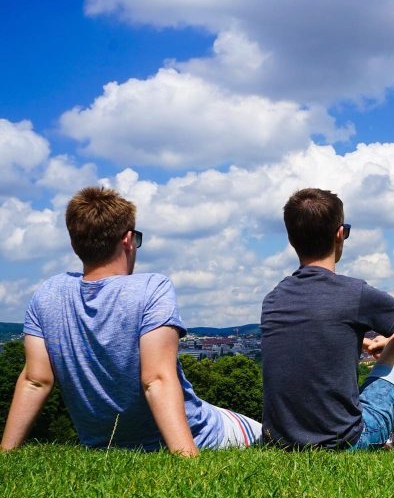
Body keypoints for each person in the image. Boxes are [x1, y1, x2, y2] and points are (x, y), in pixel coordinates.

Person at [0, 187, 260, 456]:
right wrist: (188, 461)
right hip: (199, 432)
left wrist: (6, 453)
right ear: (127, 240)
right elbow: (156, 380)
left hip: (102, 444)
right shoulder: (151, 287)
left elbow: (35, 380)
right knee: (267, 433)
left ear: (75, 242)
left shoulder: (47, 294)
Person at [261, 187, 394, 450]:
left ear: (292, 240)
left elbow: (309, 339)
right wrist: (393, 338)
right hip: (345, 442)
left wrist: (355, 339)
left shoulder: (273, 299)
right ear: (340, 234)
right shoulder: (354, 293)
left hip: (280, 442)